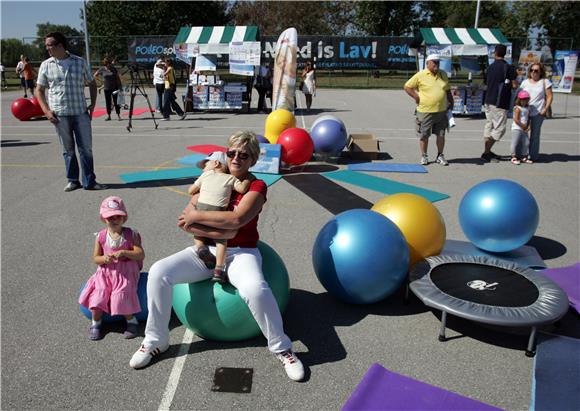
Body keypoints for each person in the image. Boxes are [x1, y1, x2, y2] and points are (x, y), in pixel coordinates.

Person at [129, 131, 305, 381]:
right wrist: (203, 223)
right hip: (207, 250)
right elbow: (185, 218)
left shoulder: (256, 186)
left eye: (243, 155)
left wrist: (198, 219)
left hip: (242, 252)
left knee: (256, 289)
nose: (235, 158)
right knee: (159, 271)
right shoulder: (213, 176)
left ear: (252, 160)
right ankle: (156, 340)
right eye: (232, 153)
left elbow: (237, 219)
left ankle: (282, 349)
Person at [35, 31, 107, 191]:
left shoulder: (79, 62)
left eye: (50, 45)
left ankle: (90, 181)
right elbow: (38, 90)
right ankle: (73, 180)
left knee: (86, 148)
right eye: (46, 46)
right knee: (67, 149)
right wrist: (46, 111)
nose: (47, 49)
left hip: (80, 112)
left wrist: (93, 104)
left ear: (60, 45)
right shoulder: (46, 65)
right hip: (59, 115)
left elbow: (92, 83)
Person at [79, 196, 145, 340]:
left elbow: (140, 254)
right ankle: (96, 323)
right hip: (106, 273)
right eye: (110, 218)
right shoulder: (101, 236)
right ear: (103, 218)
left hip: (126, 272)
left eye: (118, 217)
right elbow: (96, 258)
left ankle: (131, 321)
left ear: (124, 218)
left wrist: (125, 252)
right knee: (97, 297)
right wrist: (105, 258)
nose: (114, 220)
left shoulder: (131, 234)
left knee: (120, 296)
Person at [187, 151, 250, 283]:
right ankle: (219, 270)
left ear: (216, 163)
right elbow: (242, 189)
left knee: (197, 234)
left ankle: (201, 248)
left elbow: (190, 191)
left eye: (205, 164)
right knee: (221, 241)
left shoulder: (206, 175)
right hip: (217, 212)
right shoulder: (230, 178)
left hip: (201, 209)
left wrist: (199, 187)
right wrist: (247, 180)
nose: (203, 168)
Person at [404, 54, 453, 166]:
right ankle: (424, 156)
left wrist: (451, 101)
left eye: (438, 62)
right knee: (424, 135)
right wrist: (416, 97)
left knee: (441, 134)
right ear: (428, 63)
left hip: (441, 111)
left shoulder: (443, 74)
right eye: (434, 62)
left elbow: (447, 90)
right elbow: (407, 86)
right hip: (425, 111)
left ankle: (440, 155)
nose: (437, 64)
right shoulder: (421, 75)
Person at [481, 44, 518, 163]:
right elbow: (514, 85)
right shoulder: (509, 67)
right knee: (499, 129)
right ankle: (486, 152)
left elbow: (486, 82)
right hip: (500, 101)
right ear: (505, 53)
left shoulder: (490, 67)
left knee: (489, 125)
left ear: (495, 53)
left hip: (488, 100)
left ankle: (487, 151)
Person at [519, 62, 553, 162]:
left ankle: (533, 156)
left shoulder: (545, 82)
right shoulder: (525, 82)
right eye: (532, 70)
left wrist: (545, 109)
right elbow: (519, 96)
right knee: (522, 133)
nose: (534, 72)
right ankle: (521, 154)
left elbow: (550, 96)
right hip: (525, 111)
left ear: (541, 72)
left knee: (535, 135)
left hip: (538, 112)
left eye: (536, 70)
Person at [510, 90, 532, 165]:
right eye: (522, 100)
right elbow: (516, 119)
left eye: (526, 100)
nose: (524, 101)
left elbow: (528, 118)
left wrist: (528, 126)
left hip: (524, 128)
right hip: (516, 128)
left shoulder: (528, 108)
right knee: (515, 142)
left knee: (526, 143)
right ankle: (513, 157)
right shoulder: (517, 108)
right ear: (519, 100)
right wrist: (523, 126)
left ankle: (524, 157)